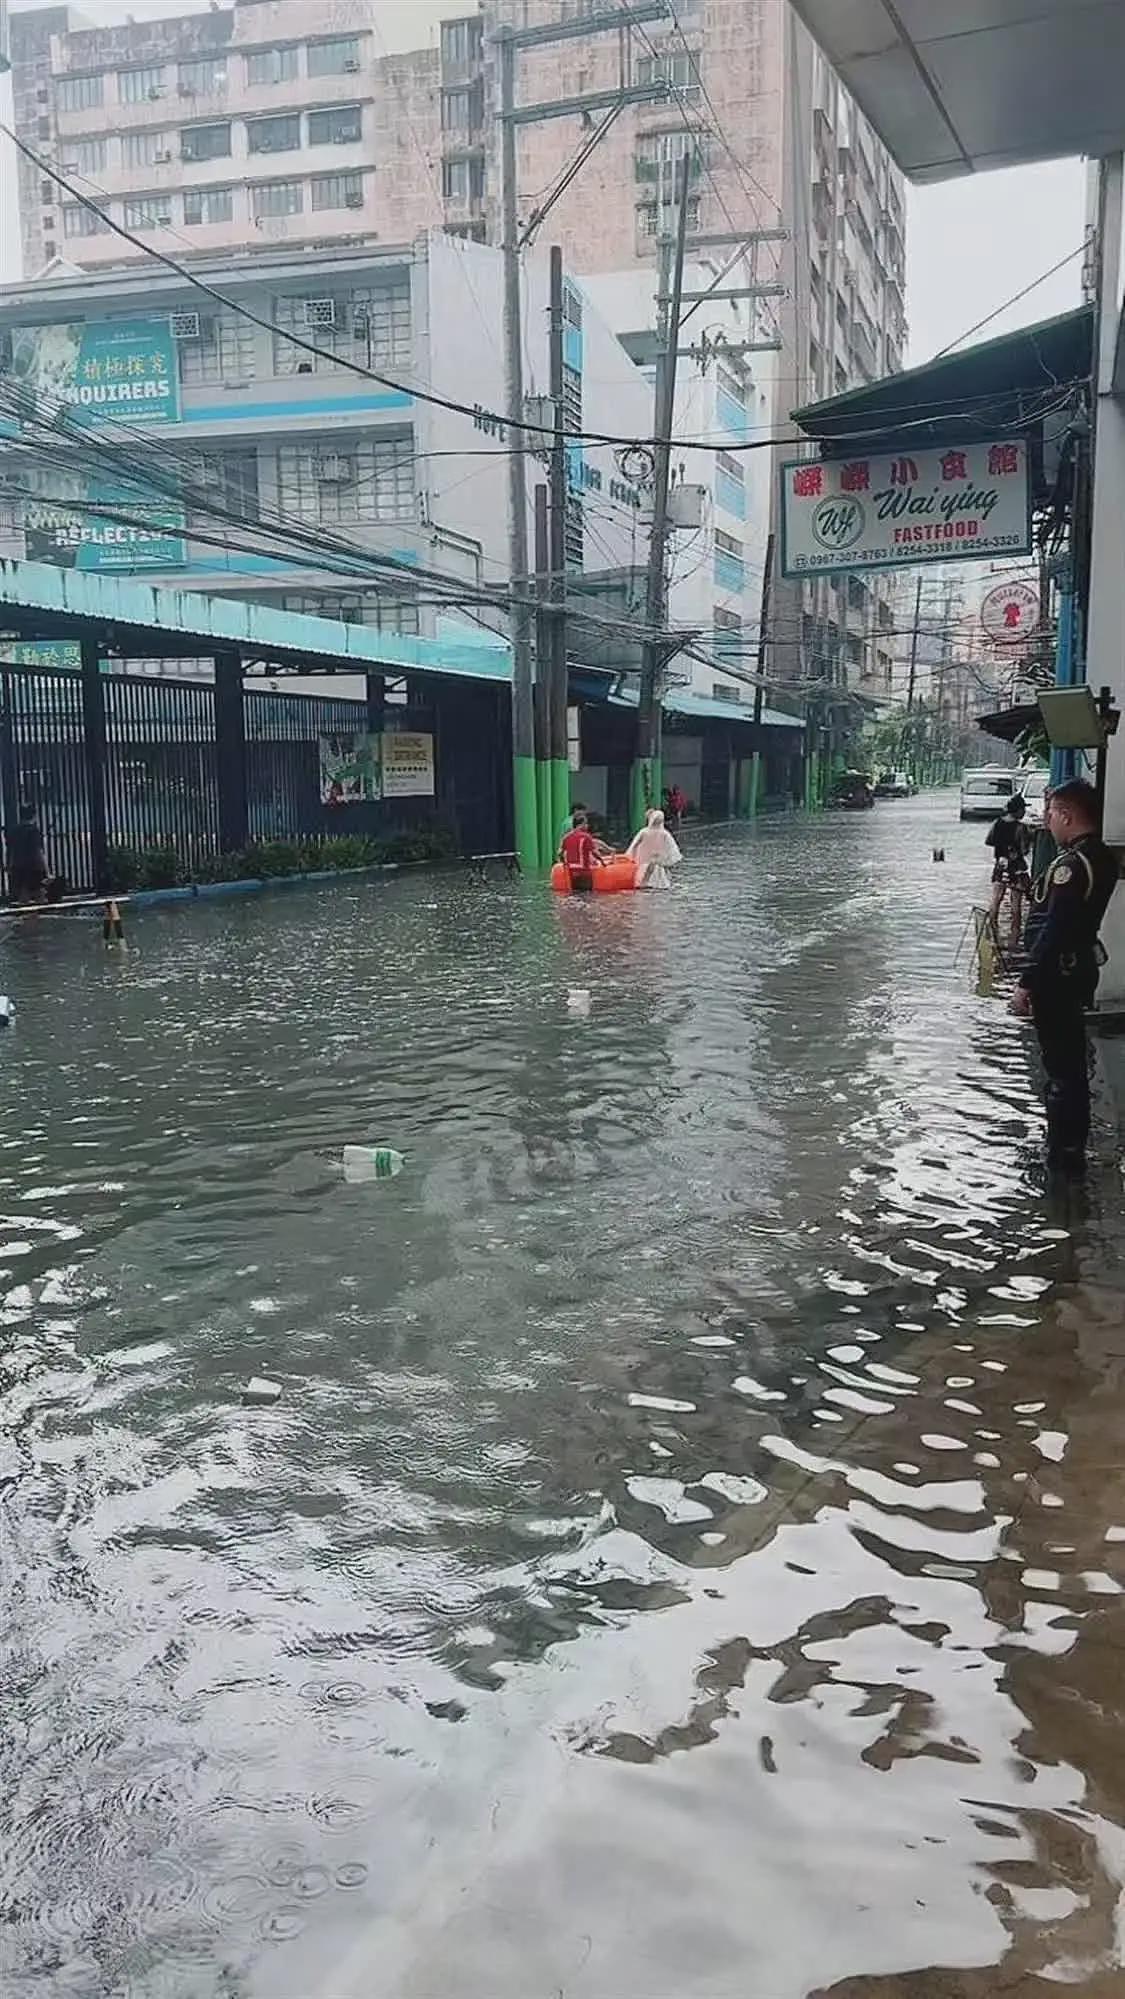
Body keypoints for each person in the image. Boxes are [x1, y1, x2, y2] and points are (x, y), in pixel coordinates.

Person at [1009, 778, 1118, 1170]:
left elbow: (1054, 930)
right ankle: (1071, 1144)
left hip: (1058, 974)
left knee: (1060, 1068)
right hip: (1076, 969)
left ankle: (1060, 1155)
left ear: (1068, 815)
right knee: (1071, 1062)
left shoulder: (1071, 866)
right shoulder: (1101, 856)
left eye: (1052, 813)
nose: (1048, 821)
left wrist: (1025, 982)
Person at [986, 794, 1032, 944]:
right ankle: (1015, 936)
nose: (1024, 812)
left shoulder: (997, 823)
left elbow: (989, 841)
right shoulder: (1021, 827)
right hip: (1016, 868)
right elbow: (1025, 850)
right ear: (1018, 811)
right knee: (1016, 903)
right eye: (1023, 809)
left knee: (996, 899)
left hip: (1000, 865)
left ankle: (992, 931)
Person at [627, 808, 682, 890]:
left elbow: (635, 844)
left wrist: (632, 855)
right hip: (655, 855)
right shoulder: (663, 833)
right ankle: (652, 883)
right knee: (656, 869)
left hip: (646, 855)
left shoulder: (645, 832)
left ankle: (644, 883)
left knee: (651, 869)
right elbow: (671, 846)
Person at [6, 800, 47, 905]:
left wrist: (9, 867)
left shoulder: (14, 831)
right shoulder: (33, 831)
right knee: (40, 894)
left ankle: (26, 918)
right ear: (34, 815)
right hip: (34, 867)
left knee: (23, 896)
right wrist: (46, 870)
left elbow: (10, 850)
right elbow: (38, 851)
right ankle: (39, 918)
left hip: (18, 867)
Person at [559, 811, 605, 893]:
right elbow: (595, 853)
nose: (587, 826)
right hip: (584, 872)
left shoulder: (566, 837)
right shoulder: (586, 837)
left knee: (574, 895)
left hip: (571, 872)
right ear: (581, 824)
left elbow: (560, 853)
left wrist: (564, 863)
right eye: (586, 823)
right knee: (586, 896)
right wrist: (602, 861)